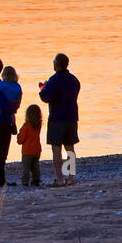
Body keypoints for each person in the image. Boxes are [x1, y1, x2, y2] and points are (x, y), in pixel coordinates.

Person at [39, 52, 81, 186]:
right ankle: (70, 178)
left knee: (56, 149)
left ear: (57, 64)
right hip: (72, 117)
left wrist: (43, 89)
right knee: (70, 148)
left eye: (54, 62)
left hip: (57, 118)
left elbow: (46, 97)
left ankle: (60, 178)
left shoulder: (54, 80)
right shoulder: (74, 80)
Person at [0, 66, 22, 187]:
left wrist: (2, 102)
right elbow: (18, 103)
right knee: (2, 152)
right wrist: (12, 106)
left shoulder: (2, 85)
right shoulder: (18, 86)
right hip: (8, 120)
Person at [17, 103, 43, 186]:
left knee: (26, 168)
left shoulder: (26, 126)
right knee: (35, 167)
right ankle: (36, 180)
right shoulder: (38, 125)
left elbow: (20, 140)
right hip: (37, 150)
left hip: (27, 151)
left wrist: (19, 134)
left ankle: (25, 182)